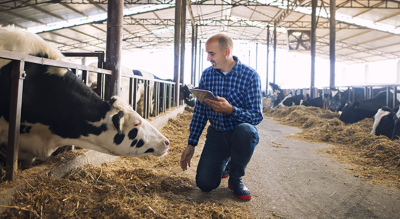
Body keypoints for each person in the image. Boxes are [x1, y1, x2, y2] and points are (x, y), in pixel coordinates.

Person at [180, 33, 263, 200]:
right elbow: (200, 111)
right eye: (207, 53)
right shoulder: (207, 75)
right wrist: (191, 143)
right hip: (217, 134)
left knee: (246, 130)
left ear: (226, 52)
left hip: (239, 134)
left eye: (212, 54)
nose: (208, 59)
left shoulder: (250, 76)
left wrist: (231, 110)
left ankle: (235, 177)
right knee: (204, 184)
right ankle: (224, 163)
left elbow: (256, 116)